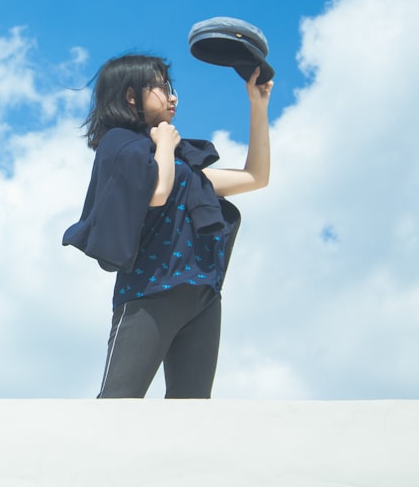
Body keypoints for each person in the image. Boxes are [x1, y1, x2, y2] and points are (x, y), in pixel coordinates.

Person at [62, 53, 272, 398]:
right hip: (150, 293)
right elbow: (157, 191)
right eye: (161, 87)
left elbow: (255, 177)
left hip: (204, 295)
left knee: (192, 408)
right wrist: (163, 143)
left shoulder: (178, 164)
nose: (172, 96)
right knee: (118, 401)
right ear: (131, 96)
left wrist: (258, 105)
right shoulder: (120, 143)